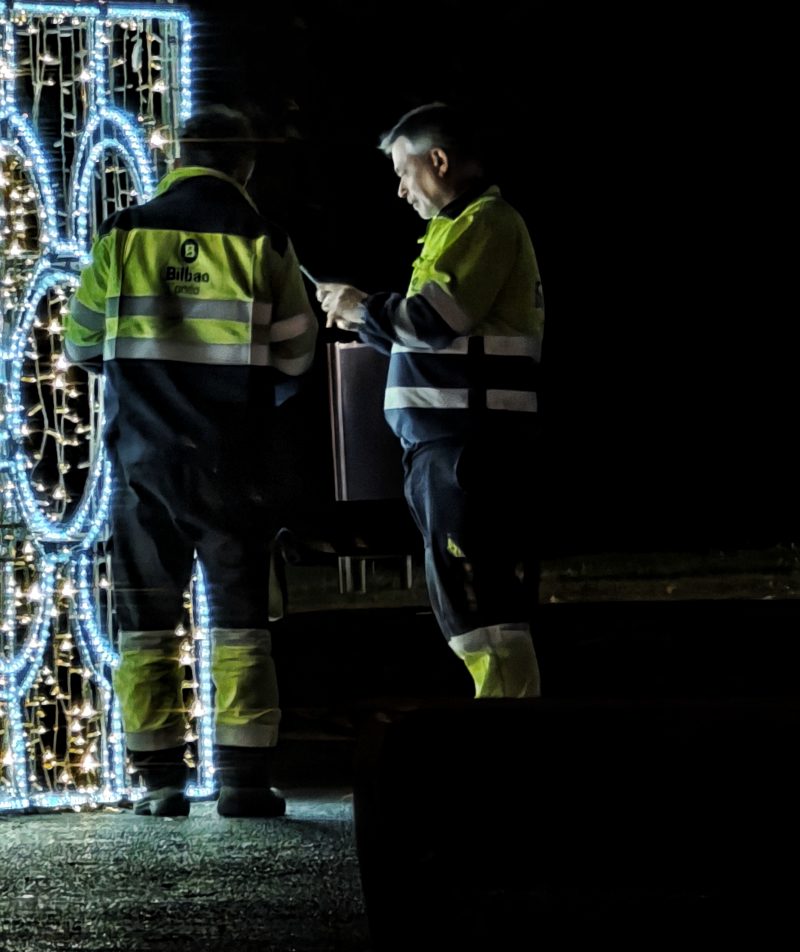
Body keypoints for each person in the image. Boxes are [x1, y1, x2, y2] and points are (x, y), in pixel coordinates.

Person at [64, 104, 319, 816]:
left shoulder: (124, 234)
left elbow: (82, 344)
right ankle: (242, 780)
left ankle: (159, 781)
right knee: (240, 620)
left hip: (142, 463)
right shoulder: (263, 239)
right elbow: (300, 352)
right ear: (246, 165)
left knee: (146, 622)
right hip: (233, 463)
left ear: (178, 157)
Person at [315, 101, 544, 698]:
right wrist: (365, 318)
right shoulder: (457, 226)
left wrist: (361, 307)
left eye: (402, 170)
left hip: (471, 448)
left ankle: (510, 735)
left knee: (482, 607)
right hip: (451, 448)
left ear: (437, 161)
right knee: (472, 606)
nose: (399, 190)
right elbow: (426, 329)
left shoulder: (484, 223)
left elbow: (433, 320)